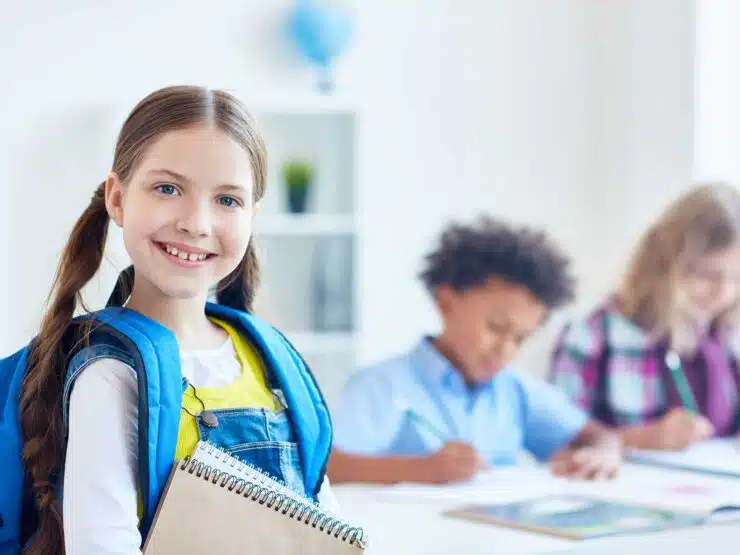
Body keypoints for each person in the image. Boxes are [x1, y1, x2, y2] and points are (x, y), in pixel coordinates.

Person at [12, 86, 337, 555]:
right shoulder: (111, 372)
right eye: (168, 188)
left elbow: (324, 526)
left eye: (228, 200)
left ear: (252, 217)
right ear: (117, 198)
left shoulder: (271, 355)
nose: (196, 222)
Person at [328, 217, 622, 485]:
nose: (506, 350)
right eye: (495, 327)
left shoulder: (514, 387)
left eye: (521, 338)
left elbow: (597, 435)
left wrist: (604, 453)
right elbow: (328, 466)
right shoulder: (383, 385)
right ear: (447, 303)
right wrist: (419, 470)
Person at [551, 183, 740, 451]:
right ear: (664, 264)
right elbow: (556, 440)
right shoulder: (593, 334)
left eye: (736, 279)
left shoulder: (727, 337)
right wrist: (643, 439)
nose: (723, 293)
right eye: (707, 274)